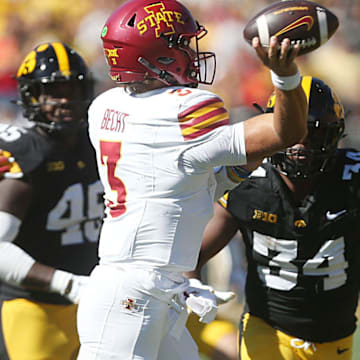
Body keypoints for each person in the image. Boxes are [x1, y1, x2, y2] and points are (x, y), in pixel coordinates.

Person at [76, 0, 307, 359]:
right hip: (132, 294)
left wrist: (240, 167)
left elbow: (189, 178)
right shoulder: (183, 111)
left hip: (147, 285)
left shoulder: (105, 106)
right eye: (181, 43)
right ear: (157, 57)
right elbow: (287, 131)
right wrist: (286, 75)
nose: (191, 52)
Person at [188, 76, 359, 359]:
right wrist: (191, 287)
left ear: (335, 135)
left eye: (315, 134)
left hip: (336, 336)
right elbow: (191, 254)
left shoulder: (352, 179)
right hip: (266, 329)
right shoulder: (246, 182)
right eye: (295, 133)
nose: (302, 146)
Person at [0, 41, 104, 360]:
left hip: (98, 303)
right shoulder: (27, 154)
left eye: (73, 90)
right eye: (53, 92)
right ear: (33, 97)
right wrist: (69, 284)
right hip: (34, 307)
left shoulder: (101, 141)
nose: (65, 101)